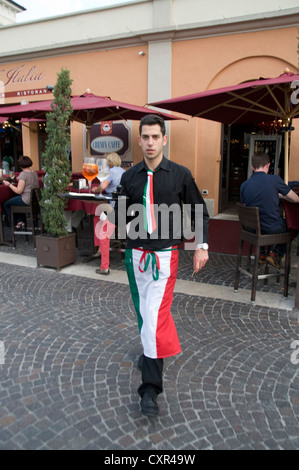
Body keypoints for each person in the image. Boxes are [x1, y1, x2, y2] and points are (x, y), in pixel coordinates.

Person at [111, 115, 209, 417]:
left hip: (165, 257)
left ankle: (150, 389)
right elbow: (120, 217)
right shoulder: (130, 177)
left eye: (156, 137)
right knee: (145, 311)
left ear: (164, 139)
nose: (150, 142)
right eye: (146, 137)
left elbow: (199, 212)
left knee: (154, 314)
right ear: (139, 140)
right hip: (135, 256)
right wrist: (112, 218)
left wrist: (200, 246)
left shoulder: (180, 174)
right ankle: (151, 349)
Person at [240, 152, 299, 268]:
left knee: (260, 221)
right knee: (294, 226)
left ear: (252, 167)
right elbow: (296, 199)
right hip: (272, 228)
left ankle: (262, 254)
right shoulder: (275, 180)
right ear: (268, 165)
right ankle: (275, 254)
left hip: (251, 229)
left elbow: (245, 204)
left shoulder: (244, 185)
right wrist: (280, 196)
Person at [92, 152, 125, 275]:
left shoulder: (110, 172)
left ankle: (104, 266)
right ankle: (100, 249)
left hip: (115, 207)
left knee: (103, 234)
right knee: (99, 219)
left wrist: (95, 188)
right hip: (127, 207)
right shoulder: (123, 171)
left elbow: (103, 187)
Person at [3, 156, 39, 229]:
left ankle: (15, 224)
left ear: (21, 165)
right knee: (16, 202)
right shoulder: (34, 172)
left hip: (26, 200)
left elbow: (19, 191)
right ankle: (21, 222)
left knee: (6, 204)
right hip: (34, 200)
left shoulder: (23, 174)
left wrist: (8, 184)